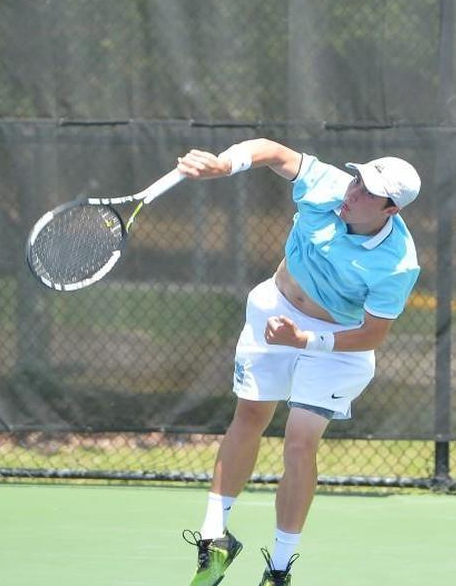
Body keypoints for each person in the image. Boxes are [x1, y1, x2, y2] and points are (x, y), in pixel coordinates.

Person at [175, 138, 421, 586]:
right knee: (248, 415)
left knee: (299, 442)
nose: (354, 194)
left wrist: (306, 339)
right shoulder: (331, 186)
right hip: (274, 309)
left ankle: (279, 568)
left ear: (391, 211)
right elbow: (272, 151)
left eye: (368, 193)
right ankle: (215, 537)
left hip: (337, 345)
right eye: (358, 181)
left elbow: (373, 334)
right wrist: (223, 164)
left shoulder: (397, 265)